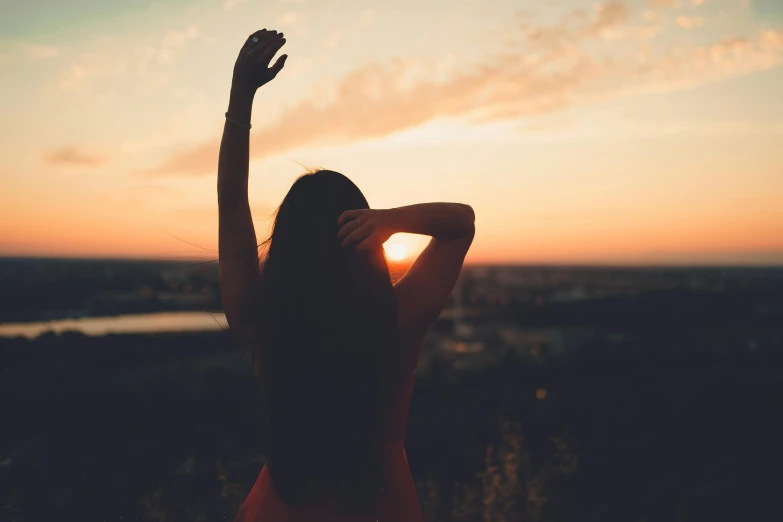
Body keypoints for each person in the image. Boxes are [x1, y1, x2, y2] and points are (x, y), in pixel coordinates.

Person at [220, 29, 475, 522]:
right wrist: (391, 219)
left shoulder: (263, 327)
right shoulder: (395, 322)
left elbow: (231, 206)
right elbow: (460, 224)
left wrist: (241, 98)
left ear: (286, 247)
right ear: (365, 249)